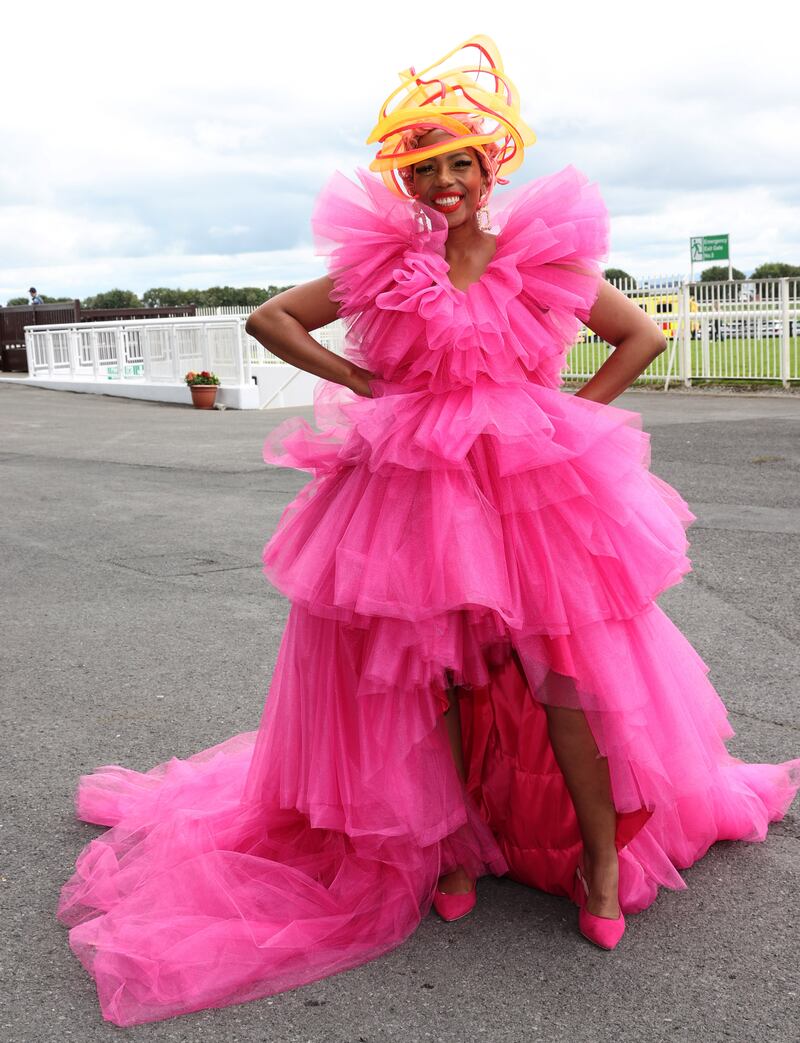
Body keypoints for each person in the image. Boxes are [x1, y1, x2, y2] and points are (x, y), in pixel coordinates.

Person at [57, 35, 799, 1027]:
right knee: (438, 674)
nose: (444, 179)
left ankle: (597, 859)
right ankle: (451, 847)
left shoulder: (540, 254)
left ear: (490, 167)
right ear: (405, 176)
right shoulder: (384, 259)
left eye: (460, 159)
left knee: (559, 677)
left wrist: (570, 416)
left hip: (527, 489)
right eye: (425, 164)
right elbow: (273, 319)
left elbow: (641, 335)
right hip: (414, 491)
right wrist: (360, 380)